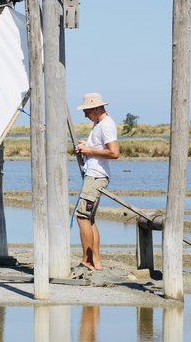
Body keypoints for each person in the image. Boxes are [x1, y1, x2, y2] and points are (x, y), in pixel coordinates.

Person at [74, 92, 120, 271]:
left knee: (82, 217)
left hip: (96, 176)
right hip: (94, 174)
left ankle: (87, 261)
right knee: (89, 218)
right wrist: (87, 146)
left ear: (95, 109)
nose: (85, 114)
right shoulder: (99, 124)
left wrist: (88, 150)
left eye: (86, 111)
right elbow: (101, 147)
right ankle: (96, 261)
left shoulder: (106, 125)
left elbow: (114, 153)